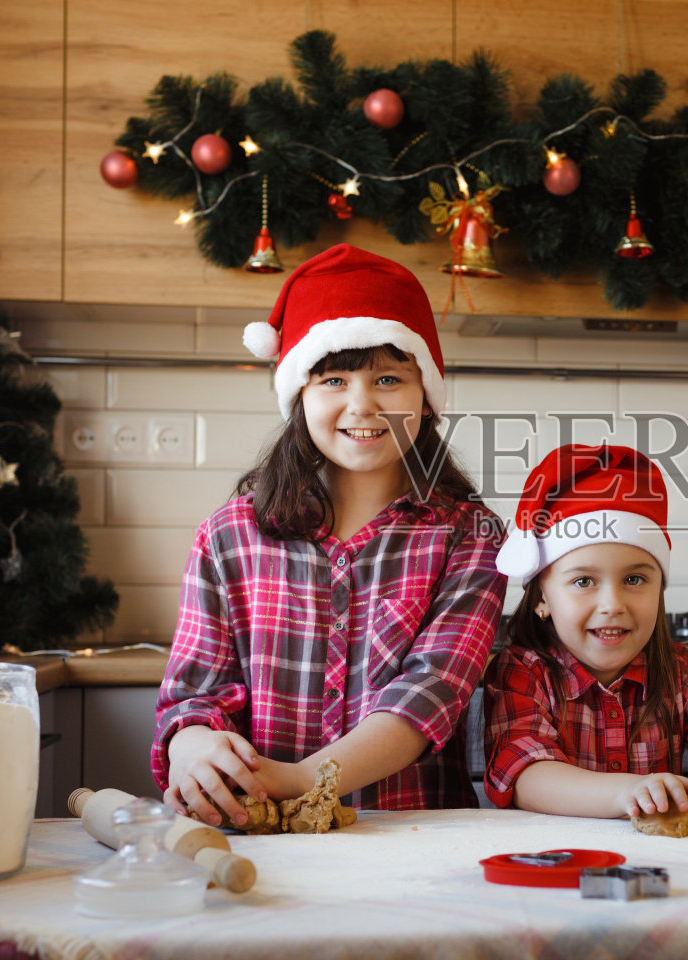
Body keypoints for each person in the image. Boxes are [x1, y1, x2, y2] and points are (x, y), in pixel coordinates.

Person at [153, 243, 506, 826]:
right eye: (333, 379)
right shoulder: (229, 535)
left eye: (389, 378)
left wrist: (298, 780)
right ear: (300, 397)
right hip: (257, 835)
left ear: (426, 398)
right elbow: (193, 694)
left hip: (412, 839)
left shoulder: (469, 537)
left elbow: (430, 695)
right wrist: (194, 750)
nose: (361, 404)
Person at [483, 444, 688, 823]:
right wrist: (626, 792)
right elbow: (524, 773)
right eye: (583, 581)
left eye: (634, 579)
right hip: (554, 867)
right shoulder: (523, 671)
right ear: (541, 599)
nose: (612, 604)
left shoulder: (683, 670)